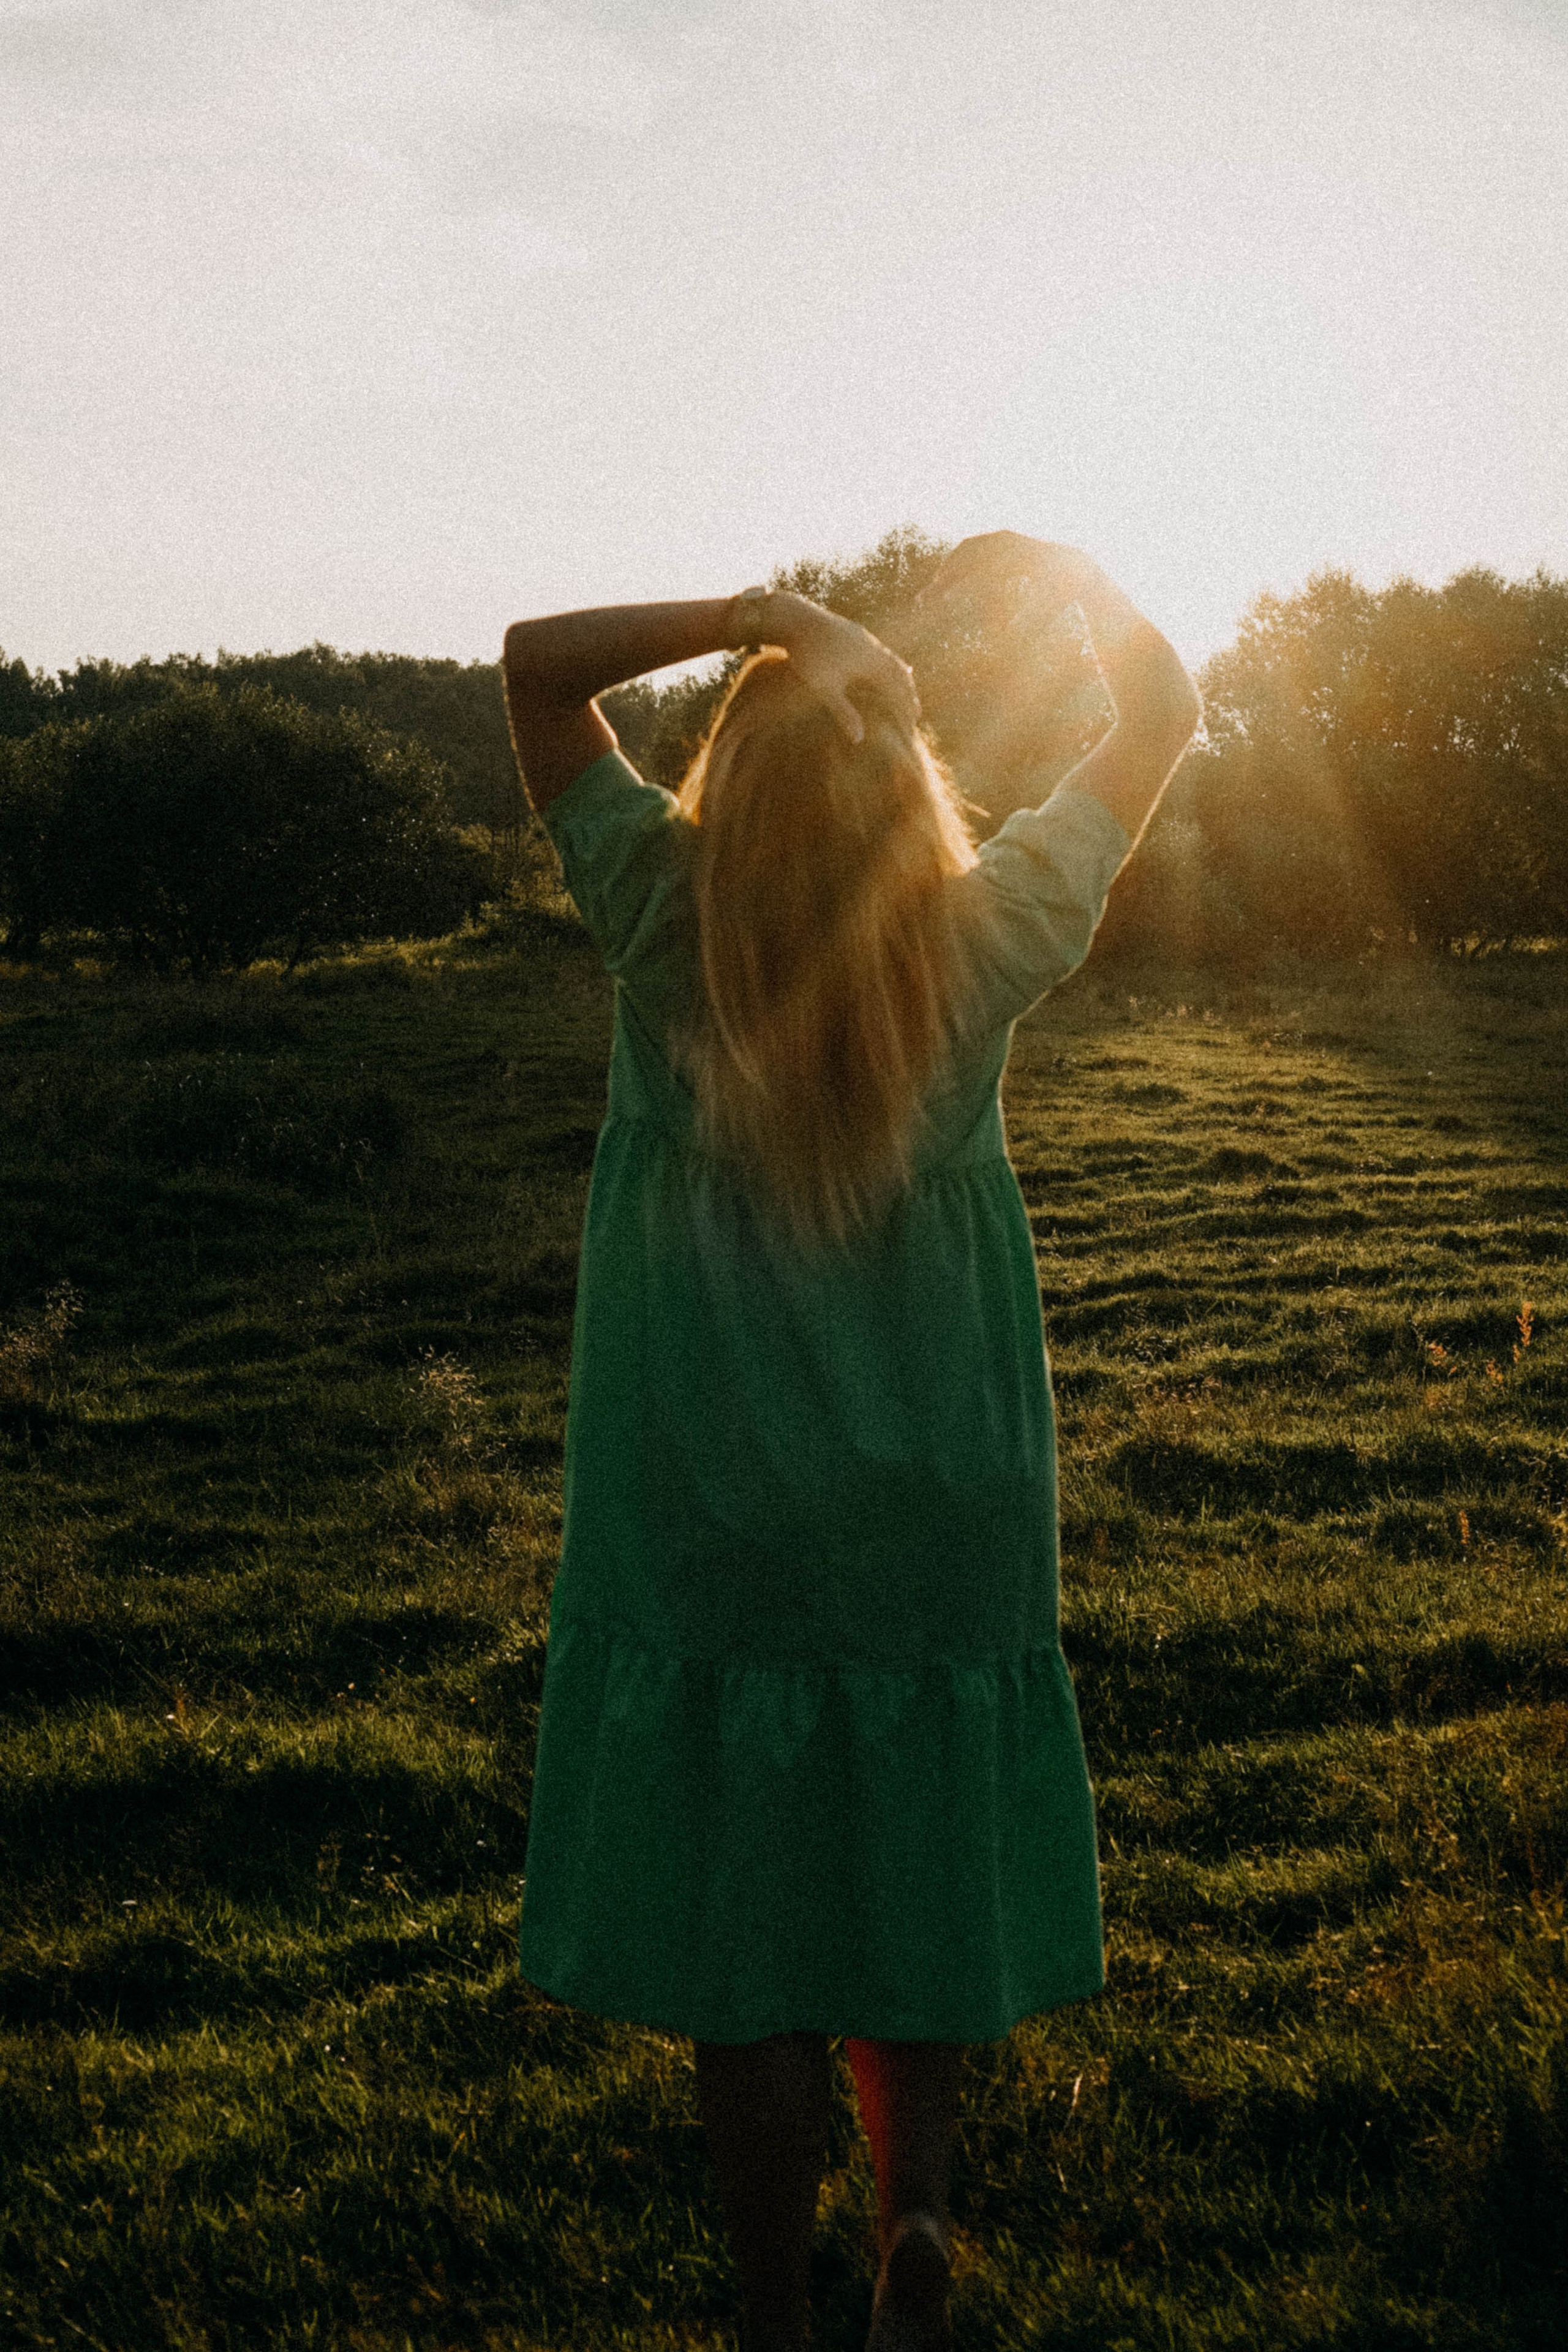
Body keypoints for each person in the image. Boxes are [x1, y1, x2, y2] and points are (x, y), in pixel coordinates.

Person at [500, 532, 1202, 2352]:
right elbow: (1164, 718)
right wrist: (1066, 576)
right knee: (909, 1859)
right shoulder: (984, 936)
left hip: (709, 1494)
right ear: (907, 786)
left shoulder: (667, 922)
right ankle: (919, 2229)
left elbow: (533, 665)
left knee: (753, 1945)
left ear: (730, 782)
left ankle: (768, 2310)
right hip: (940, 1497)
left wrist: (764, 619)